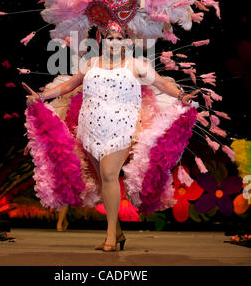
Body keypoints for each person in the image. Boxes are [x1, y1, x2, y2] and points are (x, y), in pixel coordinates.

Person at [25, 22, 199, 252]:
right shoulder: (90, 64)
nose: (114, 42)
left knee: (109, 175)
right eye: (110, 38)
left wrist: (182, 95)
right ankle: (118, 232)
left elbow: (160, 83)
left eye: (119, 38)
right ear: (102, 41)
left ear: (126, 42)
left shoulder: (135, 65)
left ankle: (110, 238)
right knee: (102, 182)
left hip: (122, 128)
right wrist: (41, 95)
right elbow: (69, 85)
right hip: (89, 128)